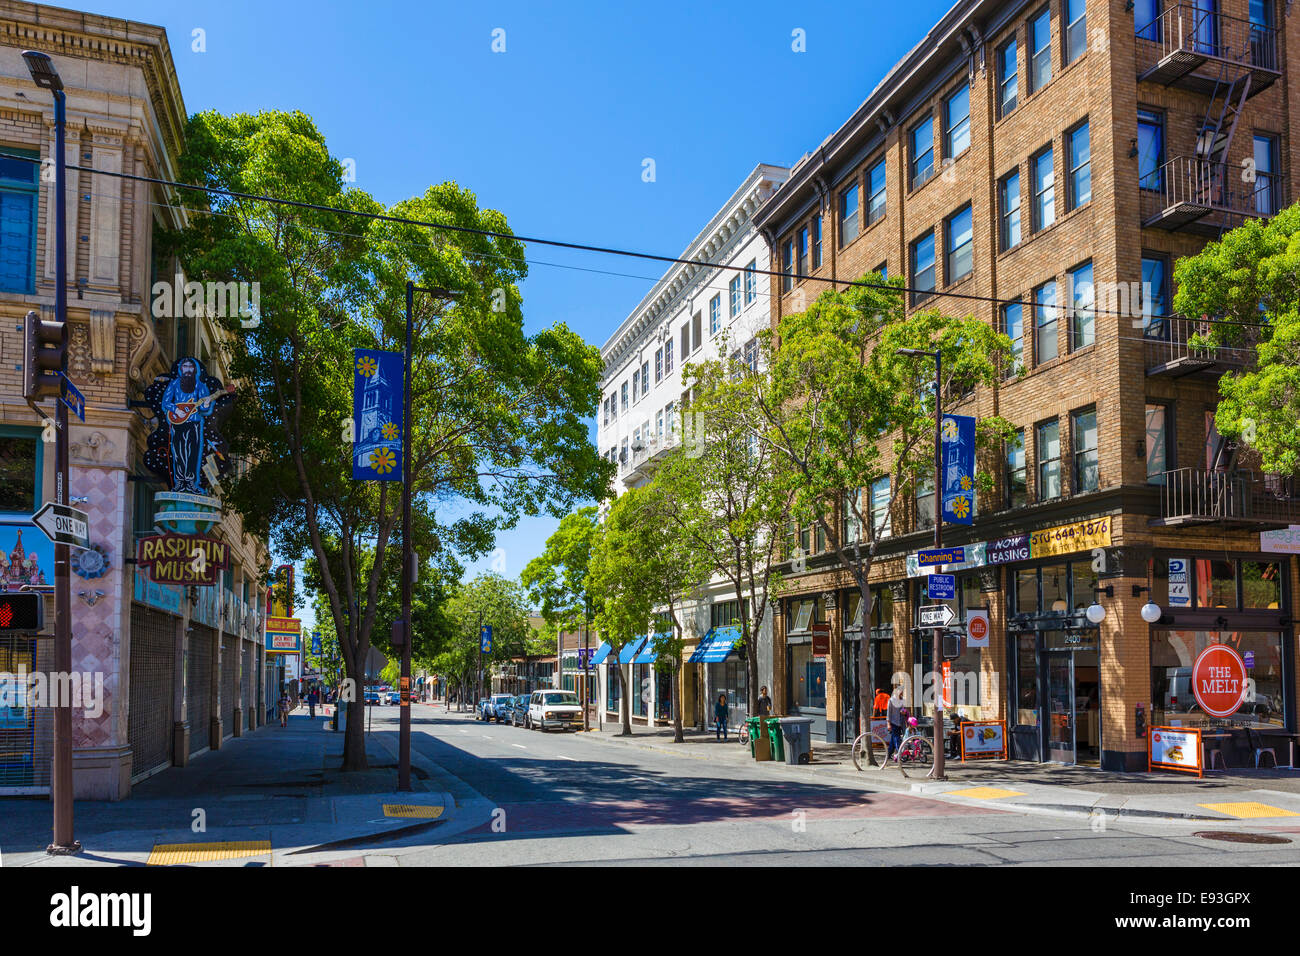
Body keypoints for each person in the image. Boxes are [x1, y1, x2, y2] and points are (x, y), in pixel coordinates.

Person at [886, 686, 908, 758]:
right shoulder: (891, 700)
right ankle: (900, 753)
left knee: (894, 739)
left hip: (901, 722)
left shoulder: (903, 700)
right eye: (900, 691)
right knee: (897, 738)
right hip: (894, 722)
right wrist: (888, 723)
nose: (901, 693)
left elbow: (905, 710)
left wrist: (904, 712)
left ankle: (889, 753)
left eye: (902, 691)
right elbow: (888, 713)